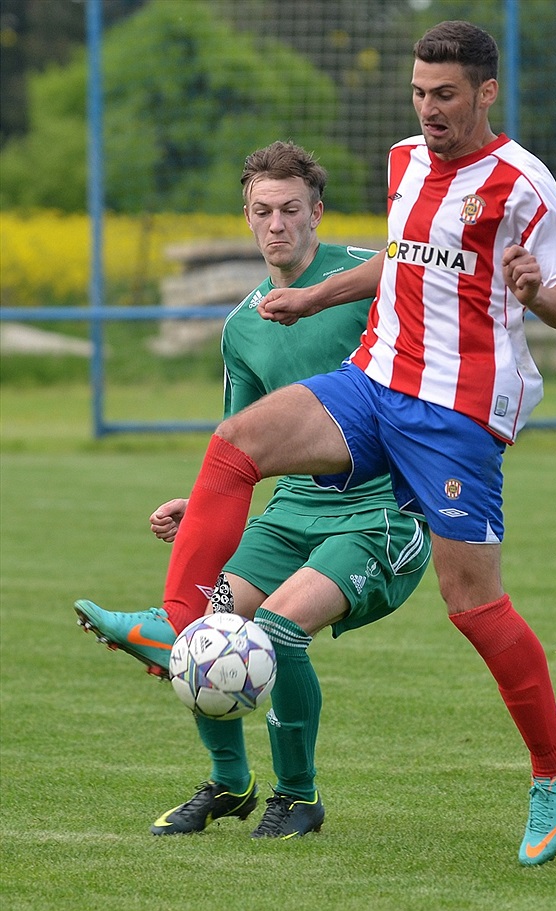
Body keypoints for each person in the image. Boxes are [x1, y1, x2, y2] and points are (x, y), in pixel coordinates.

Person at [76, 20, 556, 865]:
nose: (430, 109)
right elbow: (403, 264)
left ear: (486, 92)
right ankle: (178, 622)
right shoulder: (404, 161)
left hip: (454, 412)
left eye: (447, 95)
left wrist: (537, 290)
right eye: (420, 93)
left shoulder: (521, 181)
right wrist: (316, 301)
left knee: (473, 604)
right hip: (375, 380)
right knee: (237, 442)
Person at [75, 141, 431, 839]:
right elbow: (238, 439)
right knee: (204, 636)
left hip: (382, 509)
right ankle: (230, 781)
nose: (277, 224)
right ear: (246, 217)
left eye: (291, 210)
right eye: (263, 211)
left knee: (275, 631)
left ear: (317, 213)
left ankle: (298, 795)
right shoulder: (242, 325)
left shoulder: (368, 280)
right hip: (292, 507)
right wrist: (199, 502)